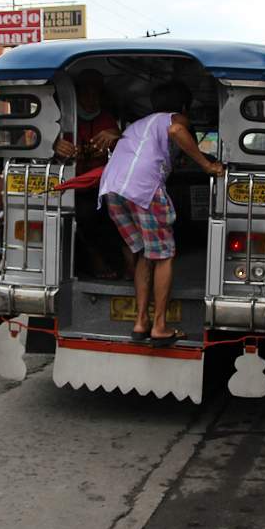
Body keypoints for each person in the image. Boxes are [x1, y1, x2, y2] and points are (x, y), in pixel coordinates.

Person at [99, 80, 224, 346]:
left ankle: (140, 322)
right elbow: (178, 130)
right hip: (143, 188)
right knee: (164, 255)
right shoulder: (174, 118)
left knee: (146, 253)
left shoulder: (138, 125)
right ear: (182, 106)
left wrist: (197, 155)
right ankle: (159, 326)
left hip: (112, 189)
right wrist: (208, 166)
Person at [54, 69, 124, 278]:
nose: (91, 98)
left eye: (96, 93)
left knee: (113, 218)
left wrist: (115, 135)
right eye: (86, 93)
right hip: (68, 186)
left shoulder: (106, 119)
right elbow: (36, 140)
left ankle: (118, 263)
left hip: (99, 186)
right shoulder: (60, 119)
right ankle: (94, 262)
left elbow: (126, 144)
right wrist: (55, 145)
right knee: (83, 219)